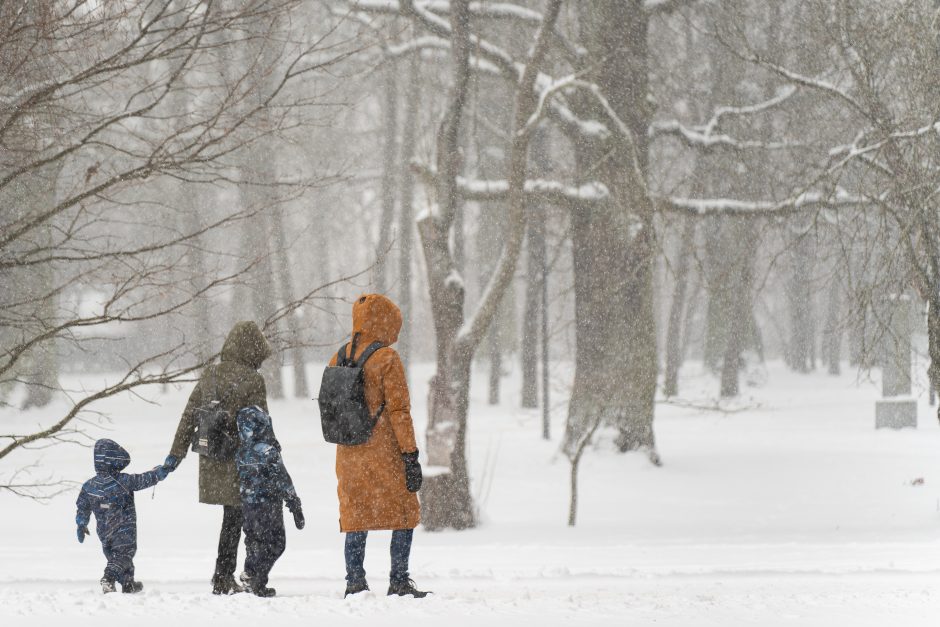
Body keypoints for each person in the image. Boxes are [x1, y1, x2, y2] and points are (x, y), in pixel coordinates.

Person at [331, 293, 428, 598]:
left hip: (348, 452)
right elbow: (399, 412)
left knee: (356, 514)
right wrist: (410, 454)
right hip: (385, 453)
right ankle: (398, 580)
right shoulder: (387, 359)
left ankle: (354, 581)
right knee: (404, 511)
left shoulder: (339, 356)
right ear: (386, 322)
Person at [165, 321, 272, 594]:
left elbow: (190, 415)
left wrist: (175, 454)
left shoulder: (210, 374)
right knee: (246, 519)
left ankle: (224, 575)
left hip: (212, 455)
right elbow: (261, 425)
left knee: (232, 517)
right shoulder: (253, 380)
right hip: (241, 458)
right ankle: (238, 576)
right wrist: (271, 461)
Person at [75, 439, 172, 593]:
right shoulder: (123, 481)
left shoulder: (89, 486)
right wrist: (160, 472)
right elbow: (142, 480)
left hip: (104, 532)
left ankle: (128, 583)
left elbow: (82, 506)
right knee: (124, 554)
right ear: (113, 460)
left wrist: (81, 523)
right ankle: (109, 578)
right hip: (123, 527)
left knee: (116, 557)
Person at [234, 405, 305, 597]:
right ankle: (256, 578)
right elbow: (283, 479)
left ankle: (251, 576)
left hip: (248, 505)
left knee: (254, 541)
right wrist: (294, 504)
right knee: (276, 543)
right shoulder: (268, 451)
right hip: (269, 505)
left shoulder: (240, 452)